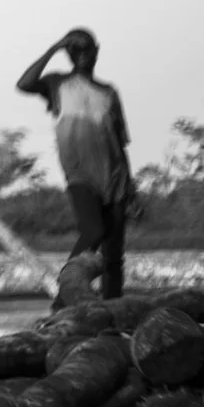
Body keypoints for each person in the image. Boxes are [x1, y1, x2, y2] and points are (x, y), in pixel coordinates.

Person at [17, 28, 134, 299]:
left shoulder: (109, 92)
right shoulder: (58, 84)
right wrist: (54, 46)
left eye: (85, 49)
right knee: (93, 230)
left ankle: (111, 315)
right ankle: (66, 293)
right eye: (74, 51)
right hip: (80, 175)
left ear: (96, 51)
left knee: (114, 255)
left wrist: (131, 187)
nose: (80, 55)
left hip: (114, 178)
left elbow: (120, 142)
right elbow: (24, 83)